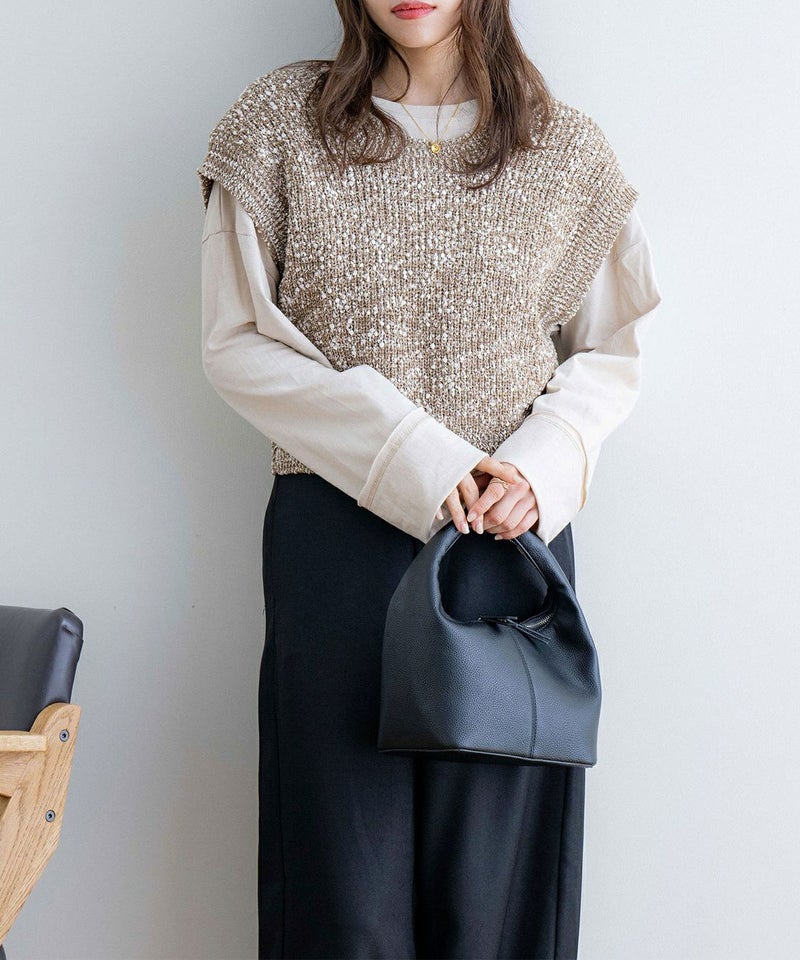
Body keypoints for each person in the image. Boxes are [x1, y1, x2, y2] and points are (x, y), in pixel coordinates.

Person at [197, 2, 661, 957]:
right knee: (342, 889)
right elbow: (237, 341)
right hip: (335, 542)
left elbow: (612, 348)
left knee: (499, 897)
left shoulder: (563, 148)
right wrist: (417, 458)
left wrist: (540, 467)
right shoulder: (277, 126)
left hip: (507, 544)